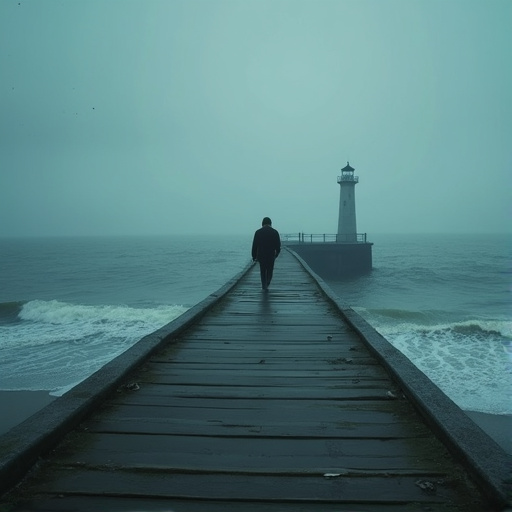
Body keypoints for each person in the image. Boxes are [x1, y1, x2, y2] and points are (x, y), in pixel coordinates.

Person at [251, 217, 281, 290]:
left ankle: (264, 285)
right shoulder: (275, 232)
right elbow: (278, 245)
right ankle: (268, 281)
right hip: (271, 254)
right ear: (270, 223)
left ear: (262, 223)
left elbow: (254, 245)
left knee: (263, 270)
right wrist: (277, 253)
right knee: (270, 269)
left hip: (261, 254)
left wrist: (254, 256)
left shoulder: (258, 232)